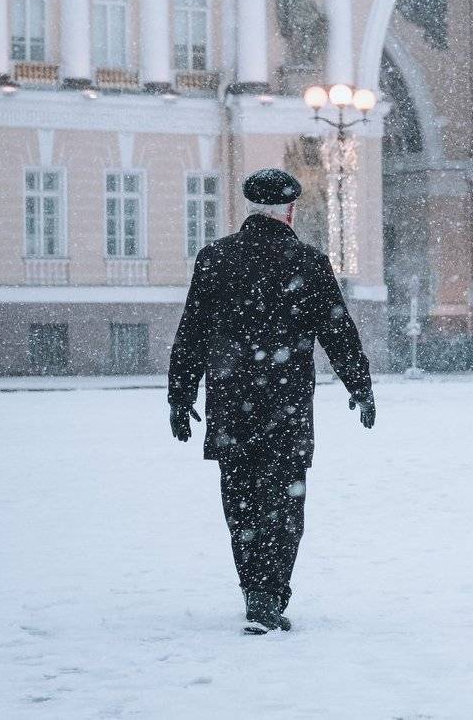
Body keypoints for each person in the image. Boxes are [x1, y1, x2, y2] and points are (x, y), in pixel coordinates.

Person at [168, 167, 375, 635]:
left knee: (239, 501)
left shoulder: (214, 259)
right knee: (283, 502)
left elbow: (192, 334)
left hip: (230, 401)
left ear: (250, 207)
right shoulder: (308, 262)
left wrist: (180, 396)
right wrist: (359, 385)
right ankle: (271, 592)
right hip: (286, 405)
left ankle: (254, 591)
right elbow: (338, 332)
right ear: (290, 209)